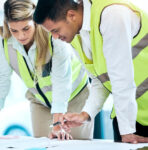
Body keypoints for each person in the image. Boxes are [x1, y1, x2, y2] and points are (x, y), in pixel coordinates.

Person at [0, 0, 93, 140]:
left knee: (73, 145)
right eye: (14, 30)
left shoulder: (53, 34)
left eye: (26, 29)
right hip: (40, 102)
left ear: (34, 21)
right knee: (43, 146)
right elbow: (1, 79)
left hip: (75, 97)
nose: (20, 36)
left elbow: (61, 81)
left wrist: (57, 123)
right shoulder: (5, 39)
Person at [33, 0, 148, 143]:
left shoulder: (112, 15)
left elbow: (121, 79)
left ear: (71, 15)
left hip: (130, 124)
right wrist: (85, 114)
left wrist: (127, 131)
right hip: (132, 118)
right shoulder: (76, 36)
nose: (55, 37)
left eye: (55, 30)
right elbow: (100, 80)